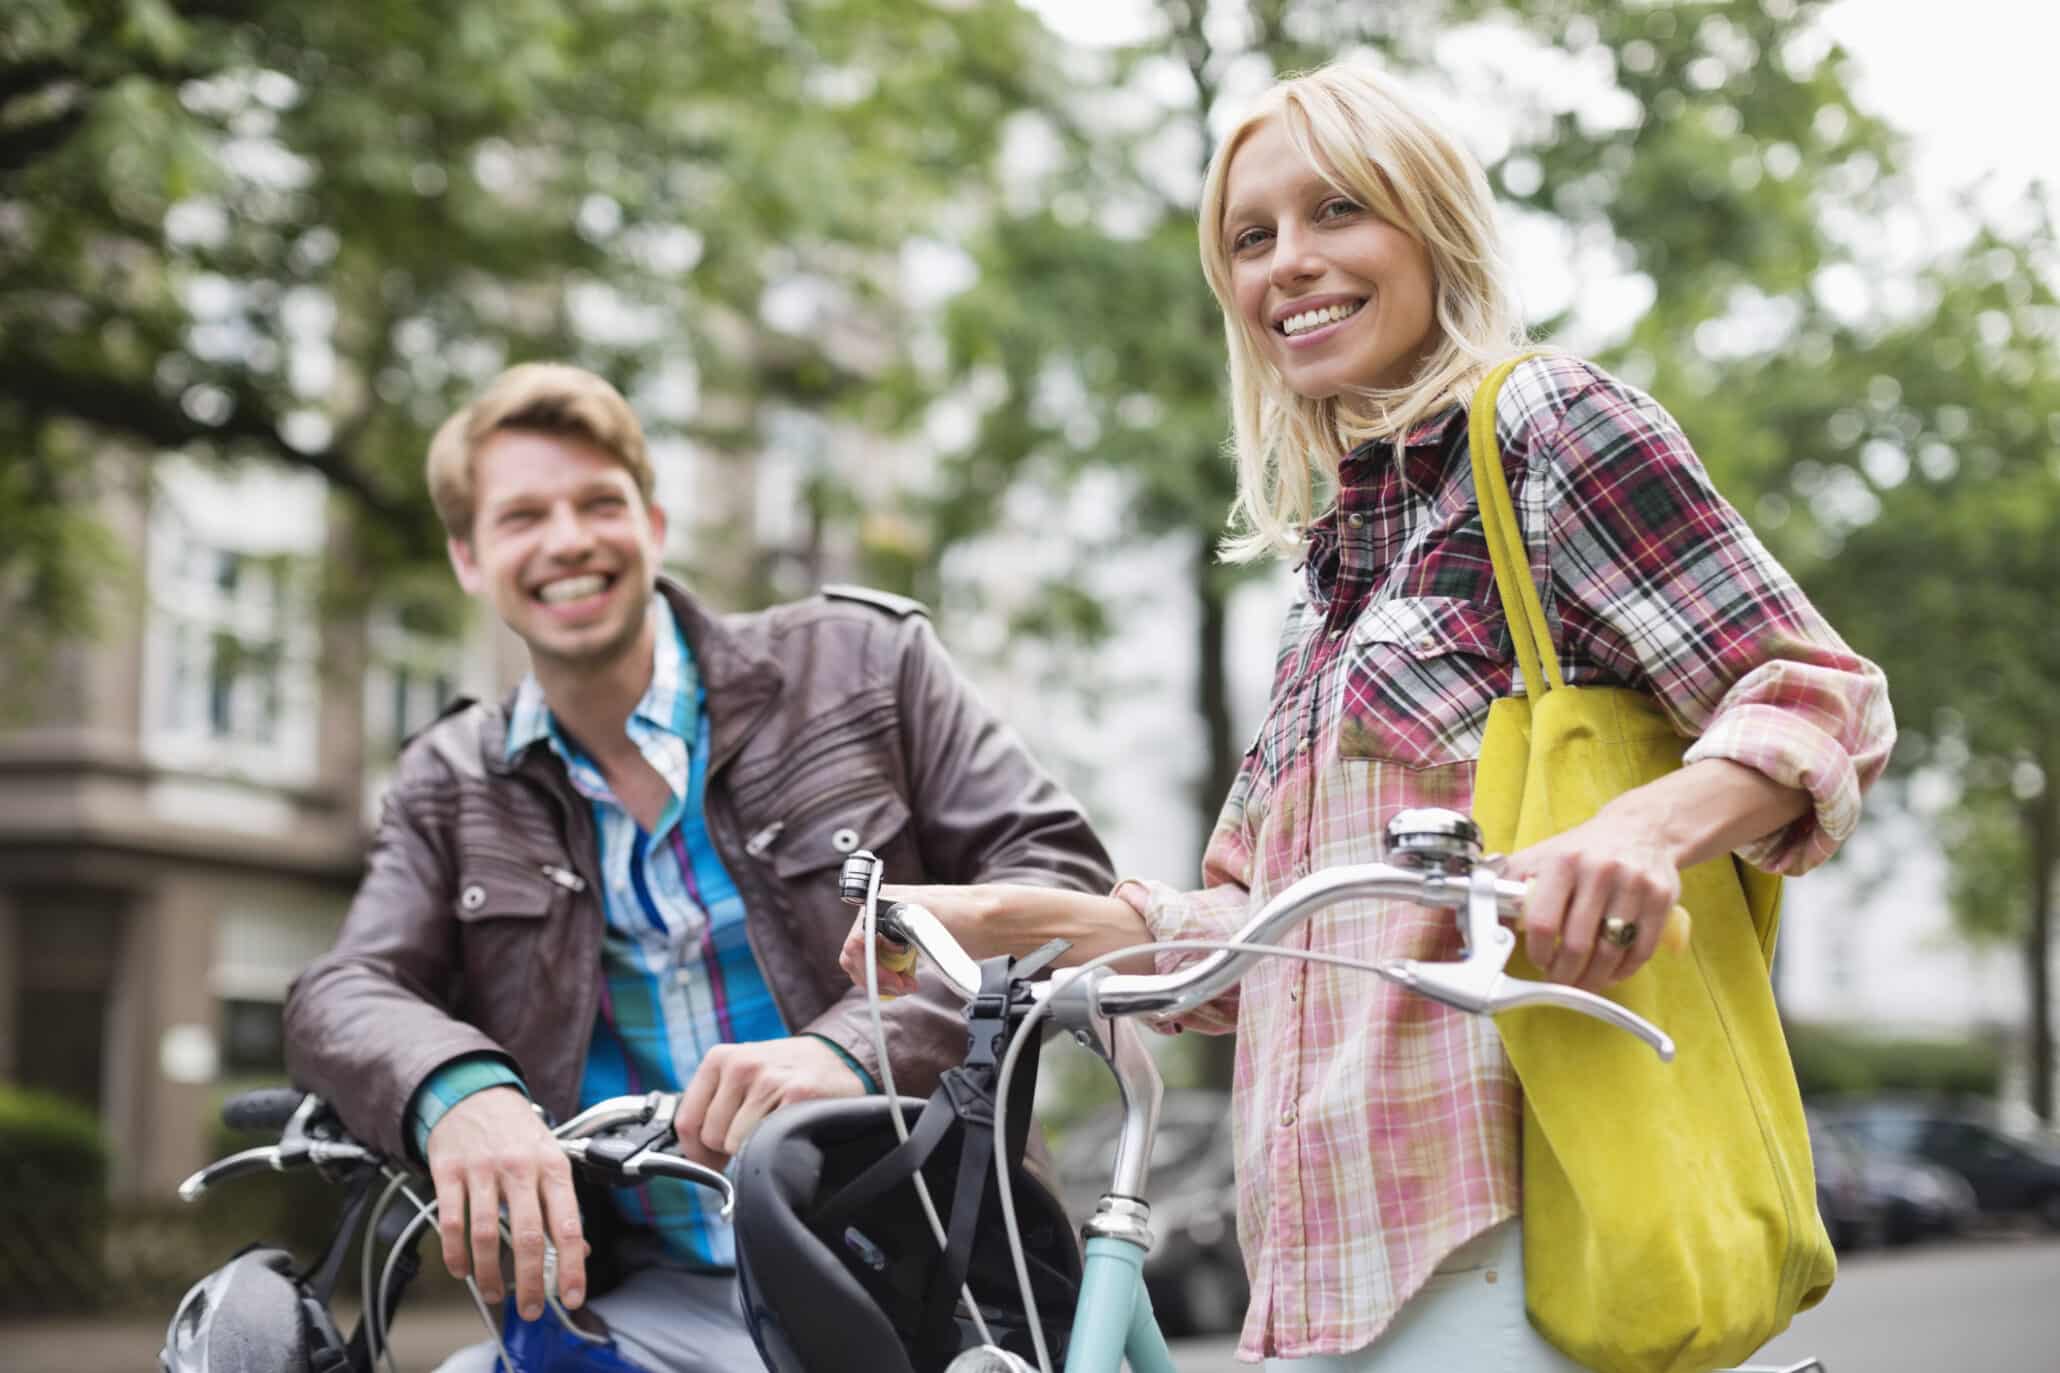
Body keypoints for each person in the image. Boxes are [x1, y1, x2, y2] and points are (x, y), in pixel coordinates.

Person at [843, 63, 1894, 1371]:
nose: (1290, 262)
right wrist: (1016, 921)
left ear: (1429, 229)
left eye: (1338, 212)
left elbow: (1820, 692)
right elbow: (1260, 934)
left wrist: (1644, 828)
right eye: (1251, 236)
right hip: (1313, 1269)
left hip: (1514, 1231)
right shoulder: (1329, 581)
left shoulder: (1547, 433)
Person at [284, 362, 1115, 1373]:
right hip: (634, 1298)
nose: (568, 540)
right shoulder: (446, 778)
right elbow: (344, 987)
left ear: (654, 522)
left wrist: (853, 1047)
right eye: (521, 517)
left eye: (599, 502)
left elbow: (1055, 873)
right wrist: (454, 1089)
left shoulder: (864, 664)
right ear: (468, 557)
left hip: (922, 1274)